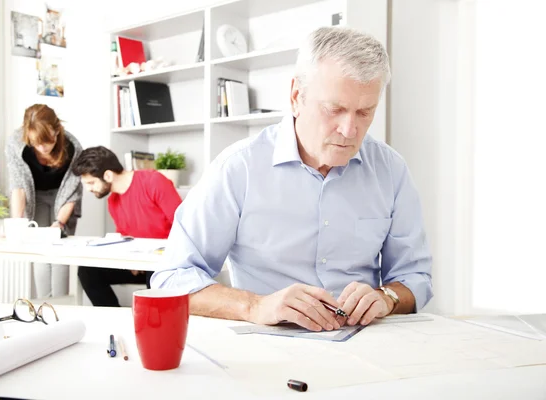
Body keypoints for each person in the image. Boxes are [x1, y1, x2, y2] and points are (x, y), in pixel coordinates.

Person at [151, 26, 433, 331]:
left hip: (363, 343)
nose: (350, 130)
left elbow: (414, 278)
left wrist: (386, 297)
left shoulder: (390, 170)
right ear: (297, 96)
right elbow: (171, 277)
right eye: (334, 109)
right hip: (268, 344)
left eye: (365, 112)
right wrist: (255, 305)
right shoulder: (238, 168)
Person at [71, 146, 182, 307]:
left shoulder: (154, 181)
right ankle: (113, 323)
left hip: (165, 262)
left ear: (108, 175)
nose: (88, 189)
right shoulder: (113, 201)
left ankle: (156, 322)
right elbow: (126, 237)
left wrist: (151, 258)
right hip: (139, 263)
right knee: (88, 271)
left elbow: (183, 227)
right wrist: (131, 260)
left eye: (91, 182)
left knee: (154, 271)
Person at [5, 104, 83, 298]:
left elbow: (72, 190)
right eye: (36, 143)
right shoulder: (16, 144)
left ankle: (60, 305)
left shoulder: (72, 147)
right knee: (38, 250)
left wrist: (59, 223)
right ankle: (43, 304)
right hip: (35, 196)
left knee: (60, 250)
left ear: (57, 130)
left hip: (62, 196)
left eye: (47, 141)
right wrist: (16, 224)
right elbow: (19, 186)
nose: (42, 148)